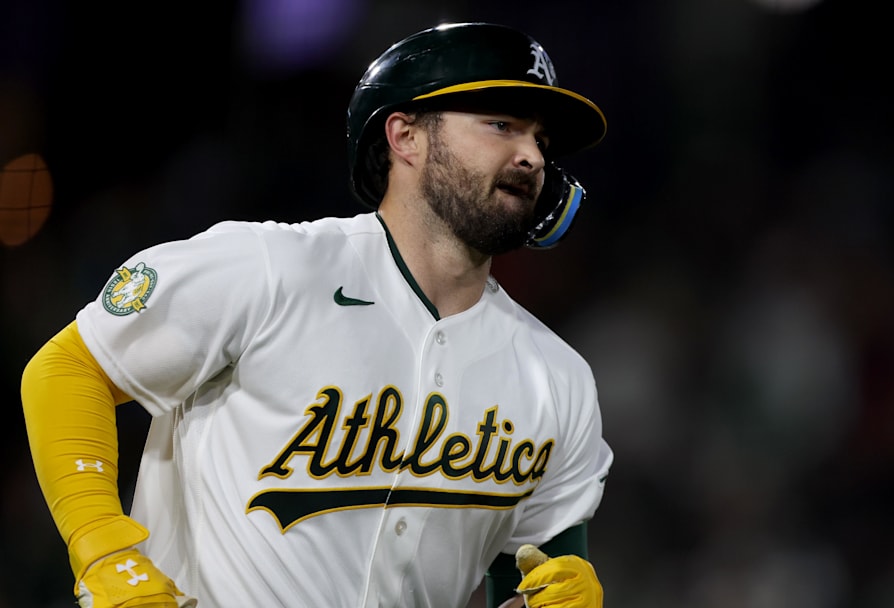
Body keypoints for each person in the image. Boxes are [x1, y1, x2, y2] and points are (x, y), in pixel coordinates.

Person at [21, 21, 612, 608]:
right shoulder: (269, 268)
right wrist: (103, 549)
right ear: (405, 136)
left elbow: (537, 576)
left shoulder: (556, 377)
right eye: (502, 125)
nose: (532, 156)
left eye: (541, 139)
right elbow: (70, 368)